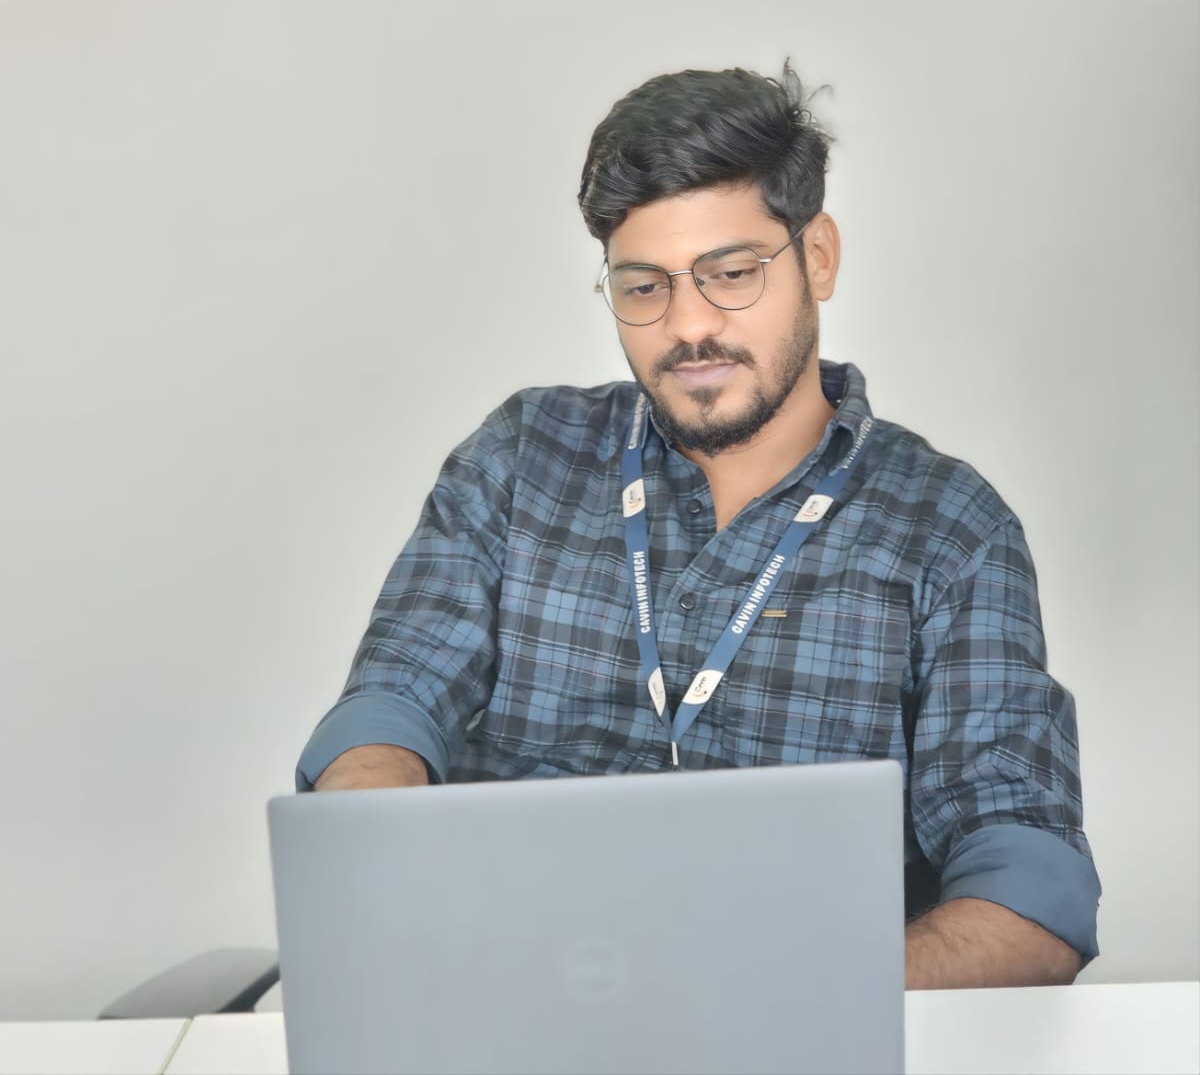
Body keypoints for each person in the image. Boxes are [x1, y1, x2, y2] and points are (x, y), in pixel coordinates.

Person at [296, 63, 1101, 989]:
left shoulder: (949, 531)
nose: (688, 327)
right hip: (512, 1004)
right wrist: (387, 872)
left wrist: (797, 996)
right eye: (644, 287)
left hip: (797, 1028)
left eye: (731, 274)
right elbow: (391, 703)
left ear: (819, 257)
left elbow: (1031, 886)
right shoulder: (523, 456)